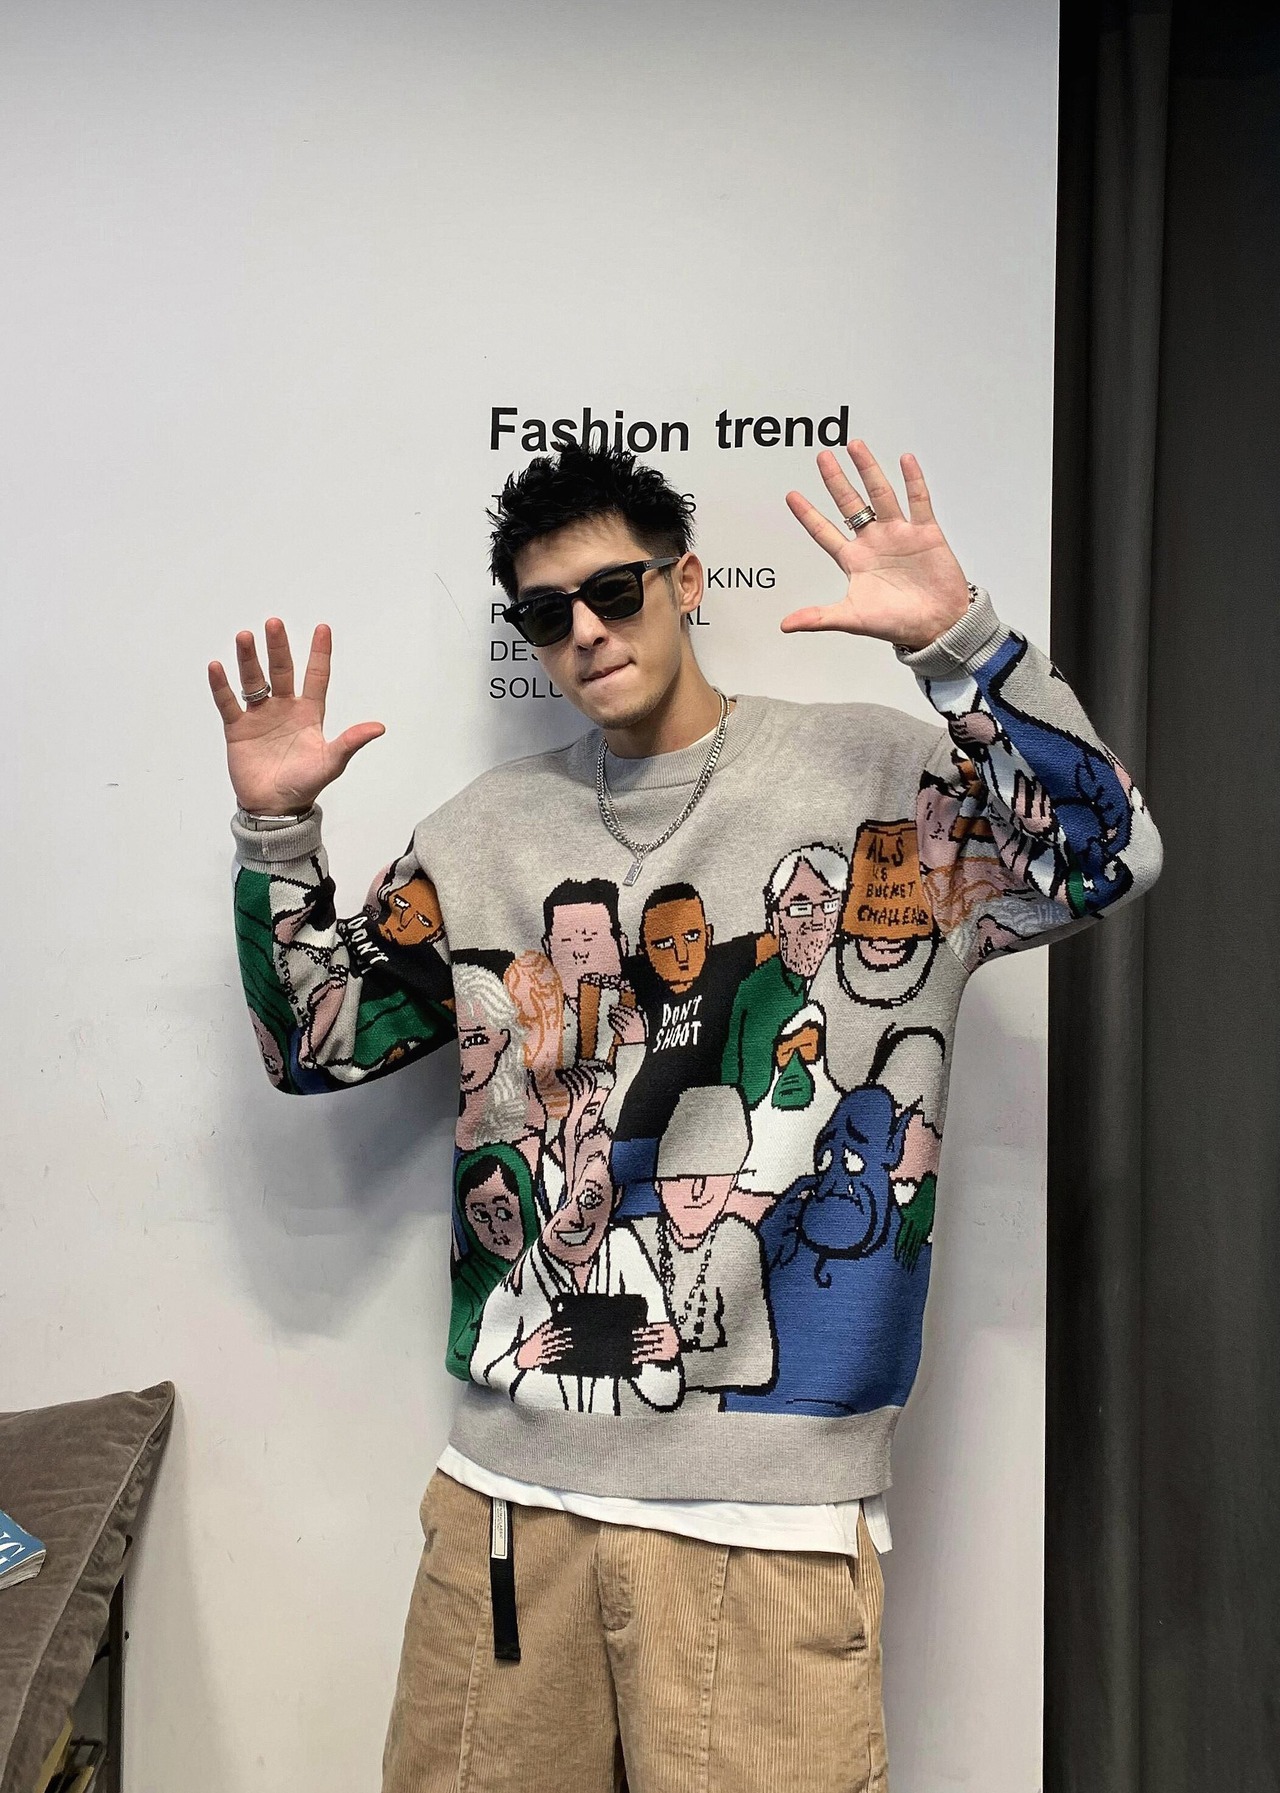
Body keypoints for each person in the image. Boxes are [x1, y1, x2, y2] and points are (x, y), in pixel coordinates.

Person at [209, 438, 1162, 1792]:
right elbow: (314, 1043)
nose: (587, 631)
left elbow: (1111, 855)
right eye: (548, 613)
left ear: (687, 581)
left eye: (615, 590)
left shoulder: (874, 782)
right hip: (510, 1508)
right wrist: (275, 836)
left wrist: (963, 646)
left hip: (766, 1520)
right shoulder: (481, 834)